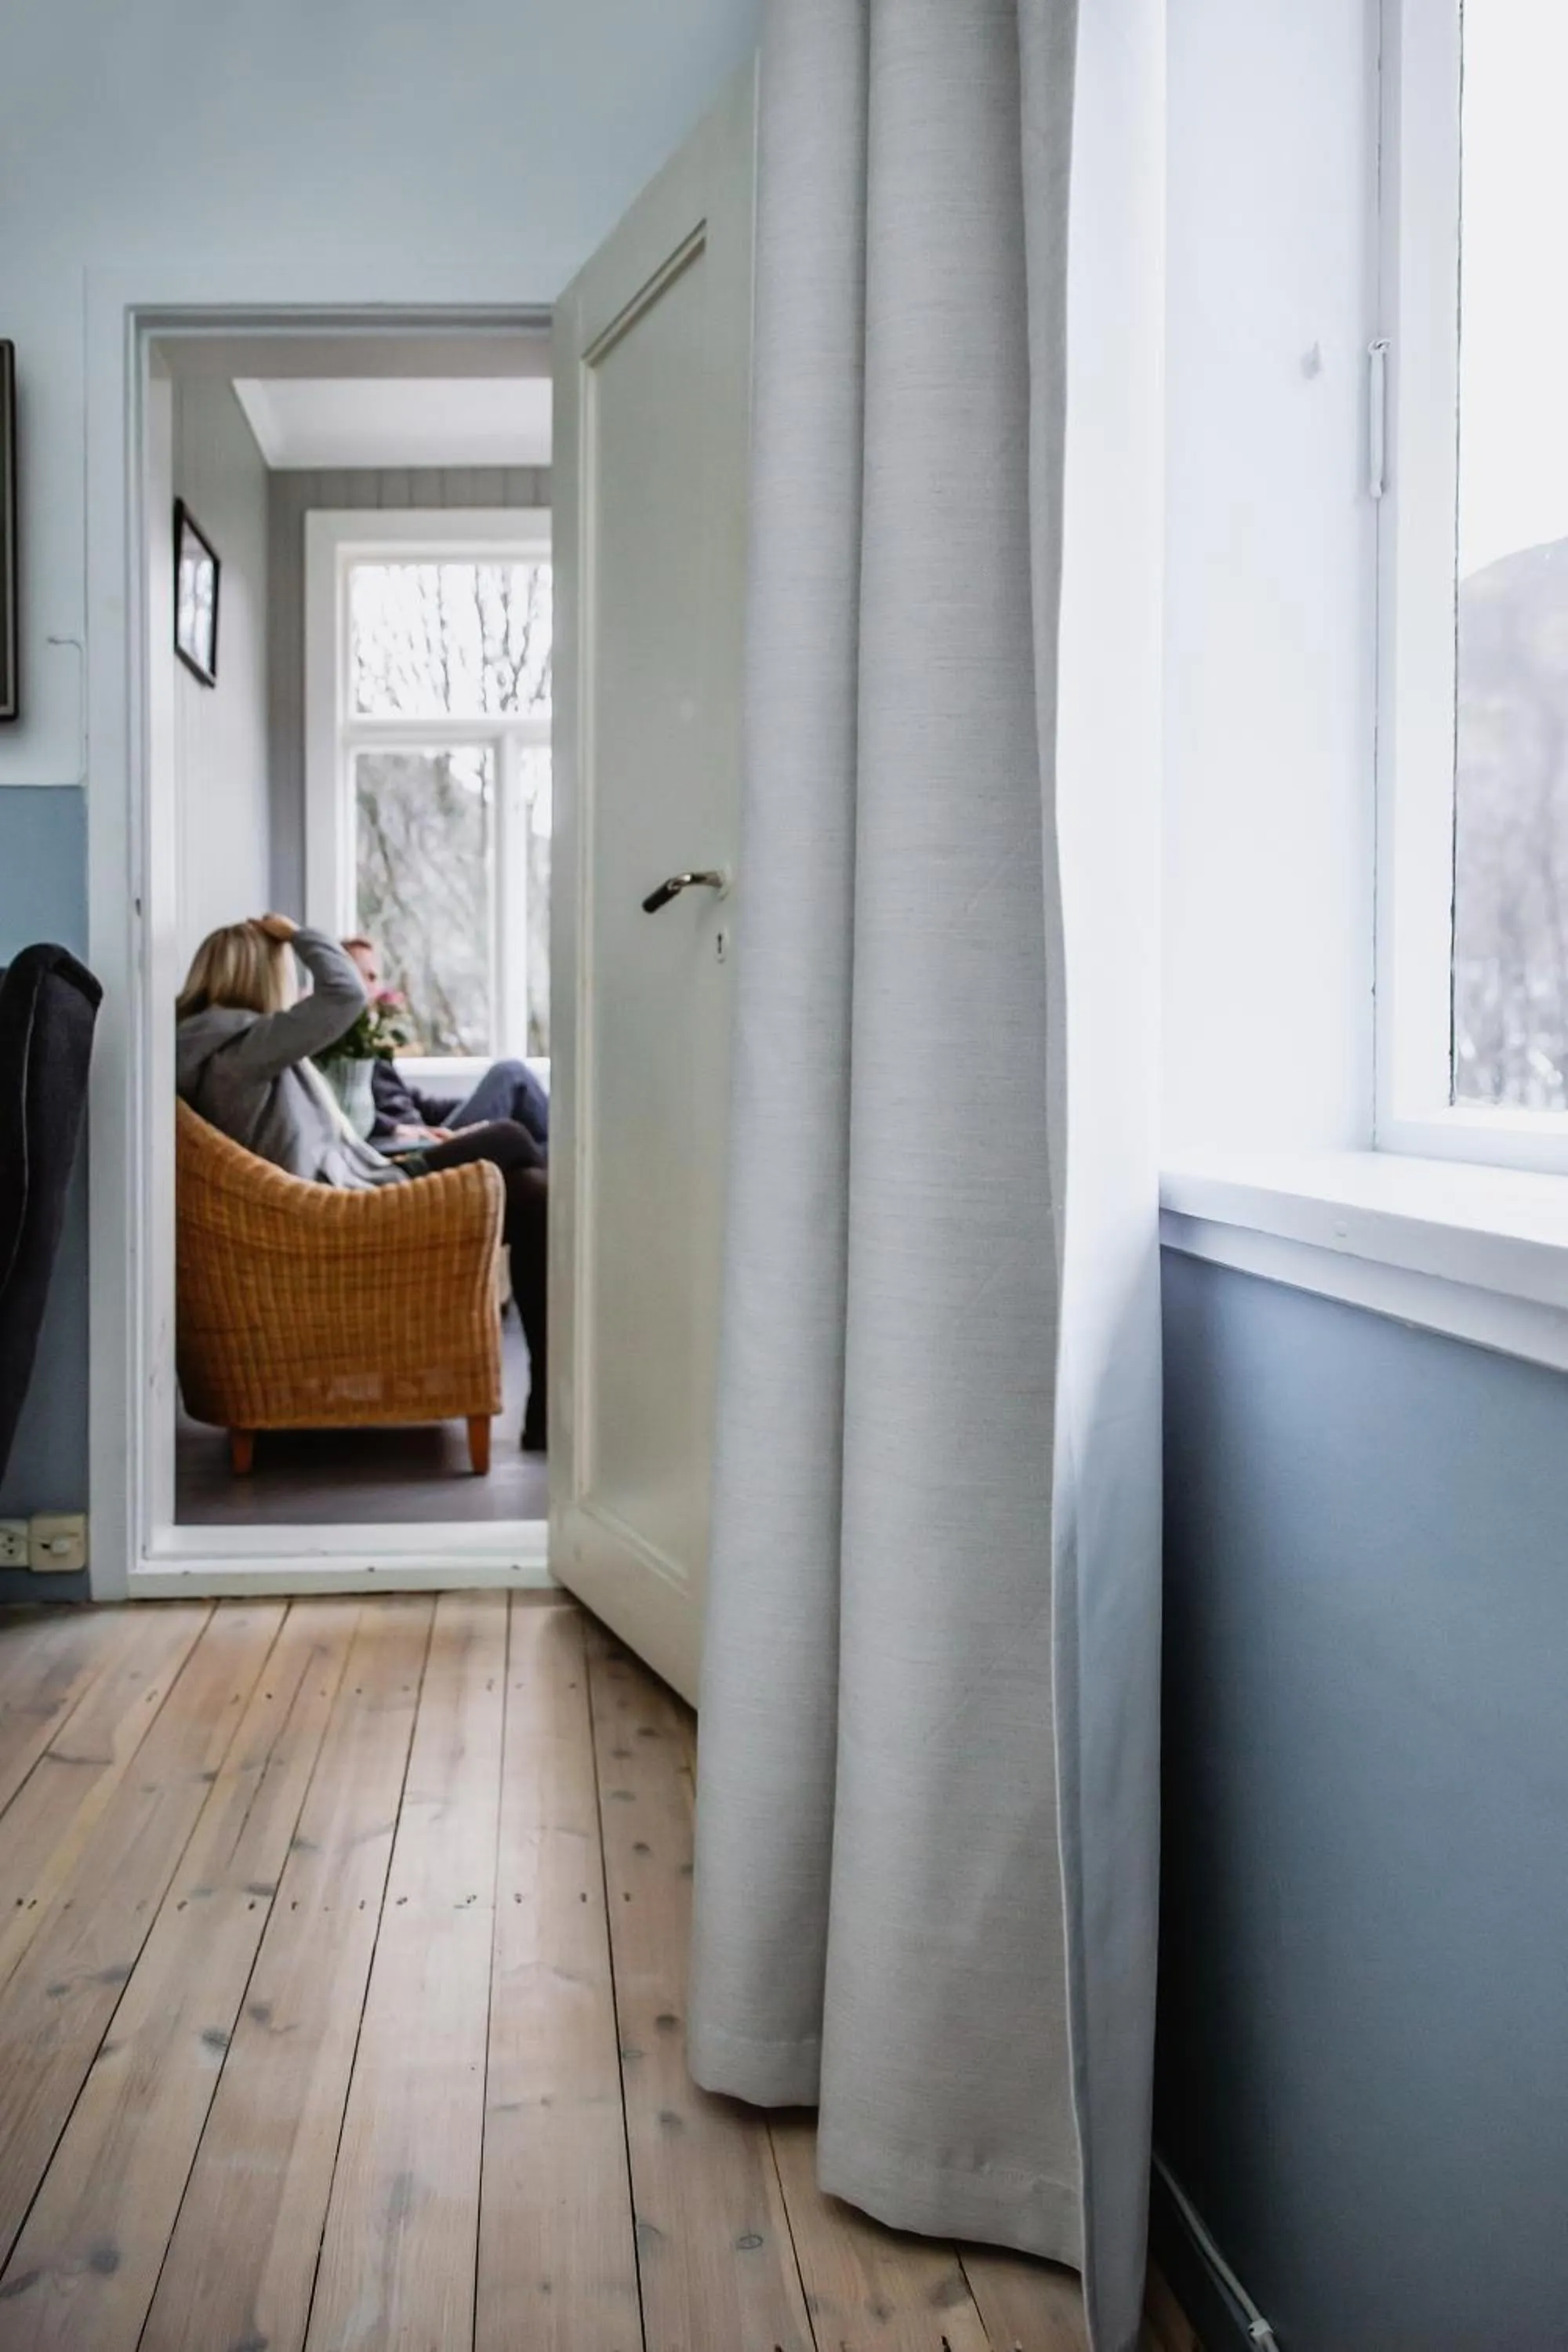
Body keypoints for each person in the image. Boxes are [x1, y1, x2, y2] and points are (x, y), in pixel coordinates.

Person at [176, 916, 547, 1449]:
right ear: (258, 974)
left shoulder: (220, 1050)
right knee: (513, 1137)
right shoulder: (243, 1051)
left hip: (353, 1185)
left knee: (533, 1189)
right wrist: (299, 933)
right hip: (353, 1203)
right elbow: (345, 994)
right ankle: (563, 1367)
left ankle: (546, 1408)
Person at [341, 936, 550, 1155]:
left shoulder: (369, 1042)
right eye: (361, 976)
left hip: (428, 1138)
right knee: (510, 1074)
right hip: (413, 1153)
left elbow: (413, 1104)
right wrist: (392, 1127)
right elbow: (339, 1111)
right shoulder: (330, 1050)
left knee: (528, 1117)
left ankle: (564, 1166)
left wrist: (483, 1102)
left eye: (374, 977)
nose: (370, 986)